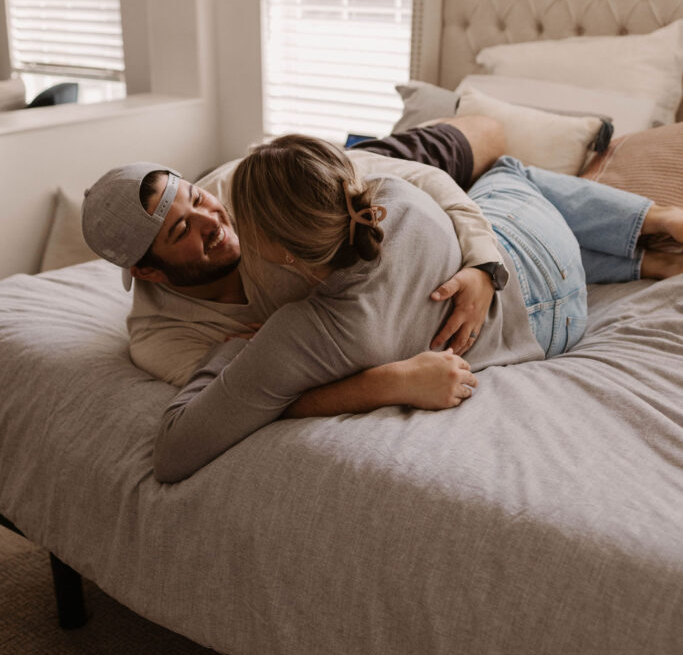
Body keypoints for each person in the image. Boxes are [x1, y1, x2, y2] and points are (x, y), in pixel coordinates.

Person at [151, 135, 683, 482]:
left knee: (504, 167)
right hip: (543, 254)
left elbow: (174, 454)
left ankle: (647, 245)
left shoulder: (304, 333)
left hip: (557, 330)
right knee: (508, 175)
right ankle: (644, 237)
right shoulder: (394, 194)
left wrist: (229, 355)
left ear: (284, 251)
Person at [82, 118, 509, 389]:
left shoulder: (242, 188)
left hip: (352, 181)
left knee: (491, 134)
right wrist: (390, 381)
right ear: (148, 271)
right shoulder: (162, 339)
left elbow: (425, 179)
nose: (211, 220)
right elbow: (258, 395)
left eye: (196, 198)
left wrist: (485, 267)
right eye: (181, 230)